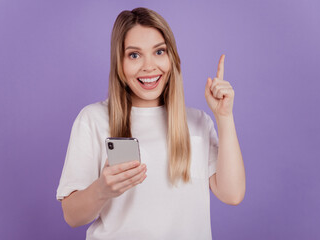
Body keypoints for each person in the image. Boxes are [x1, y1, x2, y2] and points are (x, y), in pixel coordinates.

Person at [56, 7, 245, 240]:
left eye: (159, 52)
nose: (149, 66)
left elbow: (232, 194)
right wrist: (102, 190)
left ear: (172, 57)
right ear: (120, 64)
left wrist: (224, 117)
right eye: (134, 55)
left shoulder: (197, 122)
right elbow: (71, 216)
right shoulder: (93, 119)